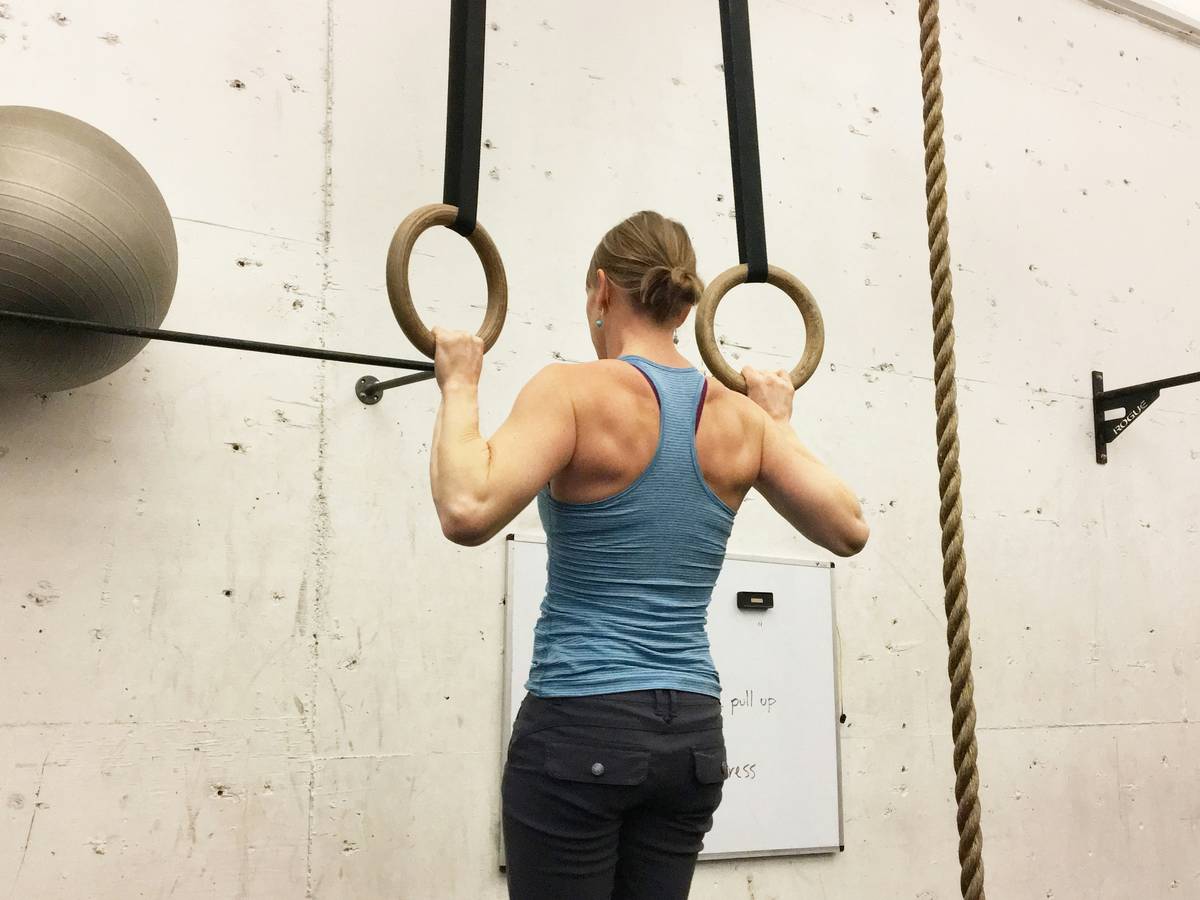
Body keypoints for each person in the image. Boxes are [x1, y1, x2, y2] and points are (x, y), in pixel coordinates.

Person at [429, 210, 868, 899]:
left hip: (583, 721)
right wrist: (778, 423)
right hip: (690, 739)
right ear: (686, 305)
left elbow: (466, 508)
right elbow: (850, 528)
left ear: (602, 291)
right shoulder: (742, 420)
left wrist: (459, 384)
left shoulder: (571, 392)